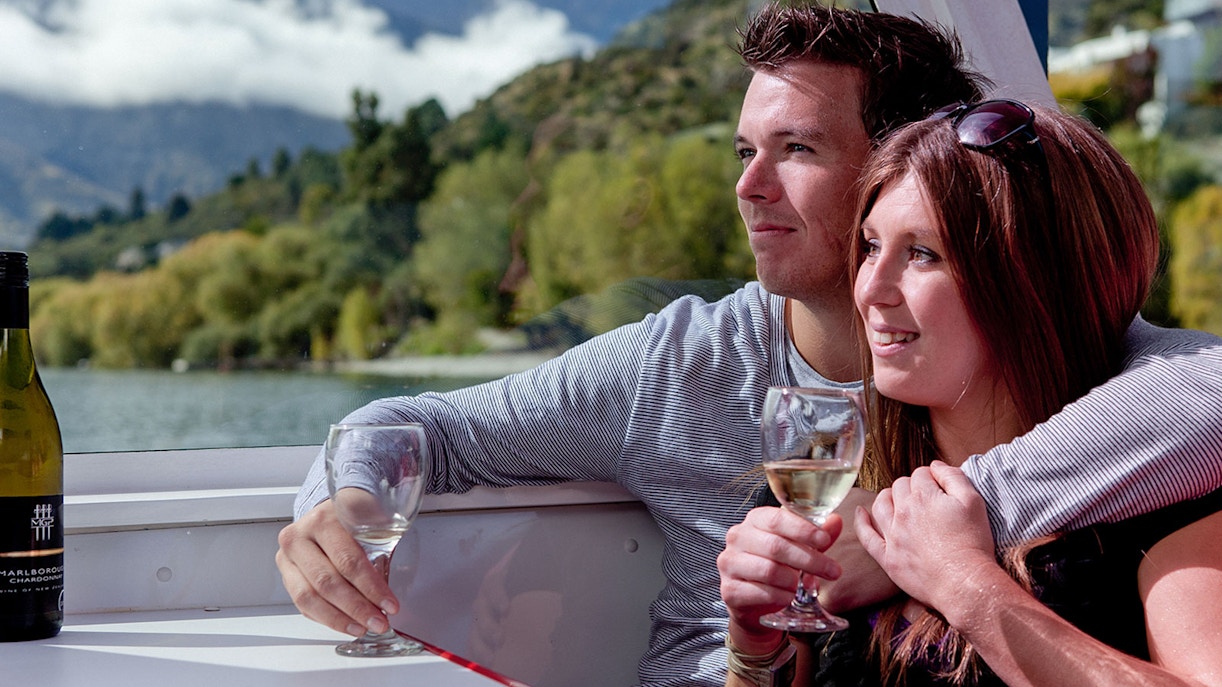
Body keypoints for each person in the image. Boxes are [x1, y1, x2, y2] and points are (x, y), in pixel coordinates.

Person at [277, 5, 1222, 686]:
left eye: (797, 150)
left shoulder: (1092, 387)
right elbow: (415, 425)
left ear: (911, 158)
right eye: (743, 153)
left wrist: (929, 526)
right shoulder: (682, 360)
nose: (749, 187)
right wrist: (344, 497)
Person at [720, 99, 1222, 685]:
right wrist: (752, 641)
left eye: (923, 255)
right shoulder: (830, 481)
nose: (872, 289)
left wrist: (961, 582)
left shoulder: (1164, 499)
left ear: (1032, 286)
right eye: (873, 246)